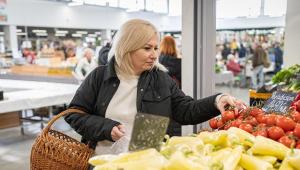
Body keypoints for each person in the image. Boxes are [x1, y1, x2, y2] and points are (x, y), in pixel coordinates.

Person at [64, 19, 245, 155]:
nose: (154, 55)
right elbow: (74, 114)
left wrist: (217, 100)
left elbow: (186, 109)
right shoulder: (99, 77)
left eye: (156, 48)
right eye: (147, 48)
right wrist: (105, 128)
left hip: (147, 162)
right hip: (103, 163)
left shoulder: (160, 79)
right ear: (128, 47)